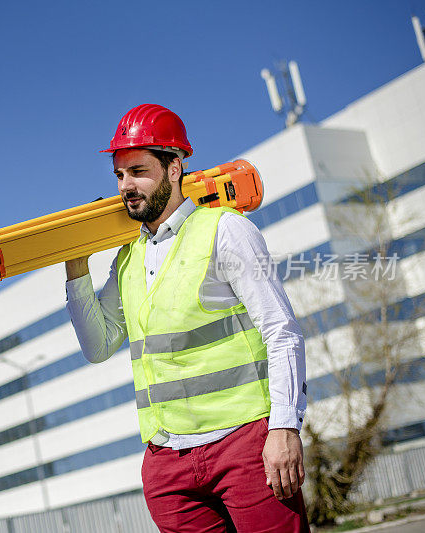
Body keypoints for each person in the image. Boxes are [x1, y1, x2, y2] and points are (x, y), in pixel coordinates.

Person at [64, 104, 309, 532]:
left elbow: (281, 331)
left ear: (174, 167)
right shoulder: (127, 260)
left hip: (245, 444)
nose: (127, 186)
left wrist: (285, 426)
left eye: (138, 170)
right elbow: (98, 346)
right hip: (167, 466)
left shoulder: (225, 230)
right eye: (119, 176)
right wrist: (75, 268)